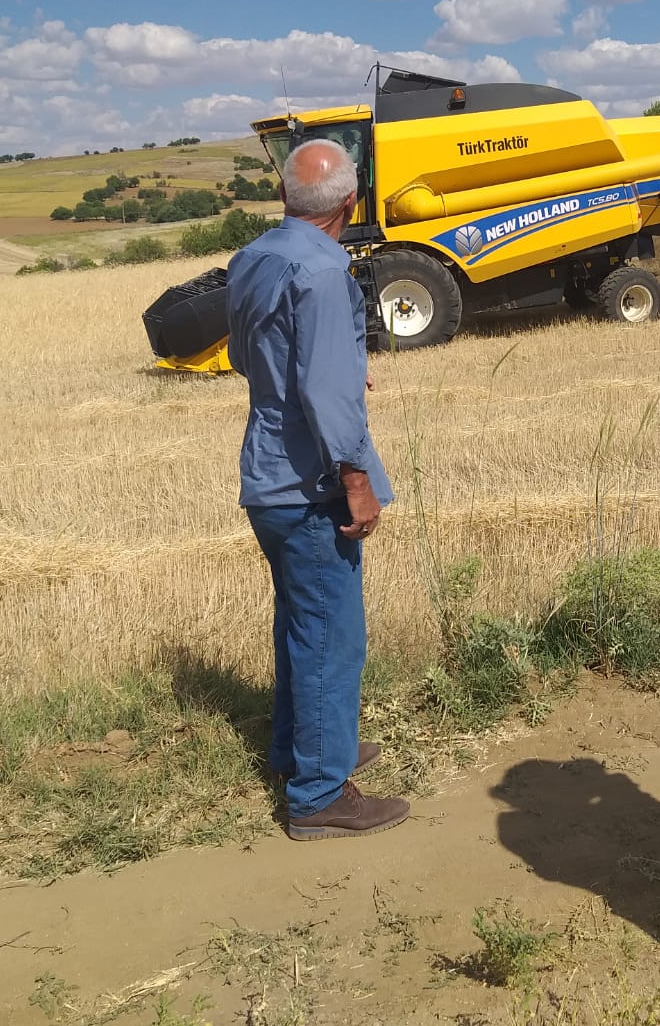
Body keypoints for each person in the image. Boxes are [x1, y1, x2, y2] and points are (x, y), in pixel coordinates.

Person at [227, 137, 409, 842]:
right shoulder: (326, 271)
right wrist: (356, 479)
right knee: (332, 637)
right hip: (311, 483)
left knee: (300, 627)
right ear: (351, 203)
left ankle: (302, 753)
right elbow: (325, 389)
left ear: (283, 199)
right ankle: (319, 796)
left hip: (266, 473)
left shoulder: (256, 257)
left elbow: (254, 354)